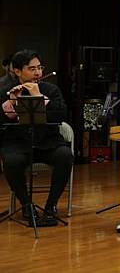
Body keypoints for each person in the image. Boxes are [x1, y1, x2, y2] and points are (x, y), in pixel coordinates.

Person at [0, 50, 73, 227]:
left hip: (48, 142)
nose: (38, 73)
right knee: (10, 160)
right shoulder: (5, 90)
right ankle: (26, 205)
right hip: (18, 143)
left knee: (65, 155)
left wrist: (40, 97)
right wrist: (10, 105)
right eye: (31, 69)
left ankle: (50, 207)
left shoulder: (51, 89)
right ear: (17, 71)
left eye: (39, 68)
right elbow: (3, 122)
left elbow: (61, 115)